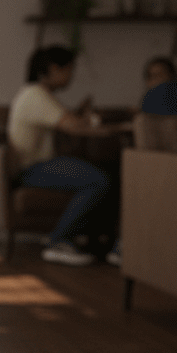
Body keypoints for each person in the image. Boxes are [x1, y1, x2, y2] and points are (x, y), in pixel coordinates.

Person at [8, 46, 118, 266]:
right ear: (53, 69)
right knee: (99, 180)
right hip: (31, 169)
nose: (71, 76)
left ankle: (107, 243)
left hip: (37, 166)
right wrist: (109, 129)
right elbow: (73, 127)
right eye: (69, 69)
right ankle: (58, 241)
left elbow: (66, 120)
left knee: (110, 173)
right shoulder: (36, 95)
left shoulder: (36, 94)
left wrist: (79, 114)